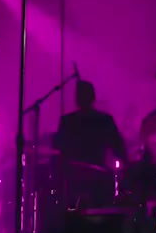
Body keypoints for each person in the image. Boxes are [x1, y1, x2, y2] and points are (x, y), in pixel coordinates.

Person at [54, 80, 127, 208]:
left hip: (73, 178)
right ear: (93, 97)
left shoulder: (67, 121)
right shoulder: (104, 120)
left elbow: (58, 148)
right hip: (97, 179)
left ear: (77, 99)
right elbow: (119, 148)